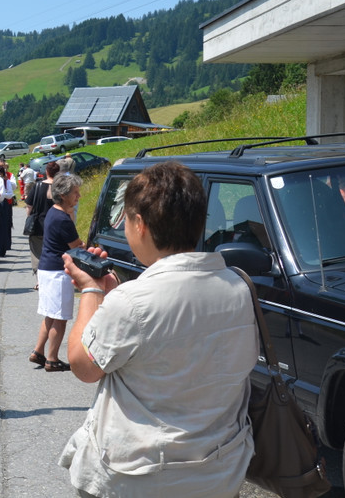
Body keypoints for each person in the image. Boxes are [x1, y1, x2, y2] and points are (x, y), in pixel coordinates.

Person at [59, 162, 258, 497]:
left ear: (140, 224)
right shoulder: (239, 287)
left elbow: (83, 365)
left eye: (125, 220)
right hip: (218, 473)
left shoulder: (131, 302)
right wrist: (113, 292)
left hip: (140, 480)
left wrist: (92, 290)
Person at [29, 172, 84, 373]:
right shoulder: (63, 219)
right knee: (59, 318)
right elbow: (76, 246)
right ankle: (52, 359)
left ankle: (38, 351)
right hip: (58, 272)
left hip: (46, 268)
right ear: (63, 195)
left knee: (50, 315)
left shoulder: (53, 212)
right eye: (75, 193)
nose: (78, 196)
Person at [25, 161, 60, 276]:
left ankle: (39, 278)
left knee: (36, 252)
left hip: (38, 224)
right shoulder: (60, 188)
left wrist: (29, 217)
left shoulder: (38, 186)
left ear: (46, 171)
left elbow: (29, 205)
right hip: (56, 225)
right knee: (53, 251)